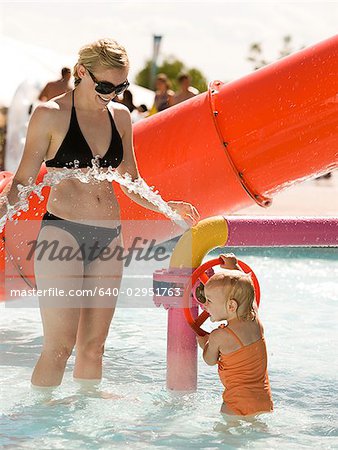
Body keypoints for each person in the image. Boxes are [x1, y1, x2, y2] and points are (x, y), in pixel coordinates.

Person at [0, 38, 200, 390]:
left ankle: (85, 431)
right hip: (62, 234)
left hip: (109, 237)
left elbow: (131, 181)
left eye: (120, 86)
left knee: (94, 348)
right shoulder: (50, 115)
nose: (112, 94)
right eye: (105, 85)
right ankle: (40, 428)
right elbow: (21, 183)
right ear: (81, 72)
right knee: (59, 347)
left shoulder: (120, 117)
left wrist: (168, 208)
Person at [197, 253, 273, 417]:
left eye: (209, 300)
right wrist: (234, 266)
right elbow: (248, 292)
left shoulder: (219, 336)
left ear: (231, 306)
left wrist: (204, 343)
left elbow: (209, 360)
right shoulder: (255, 320)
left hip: (235, 403)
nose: (204, 305)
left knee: (225, 437)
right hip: (263, 401)